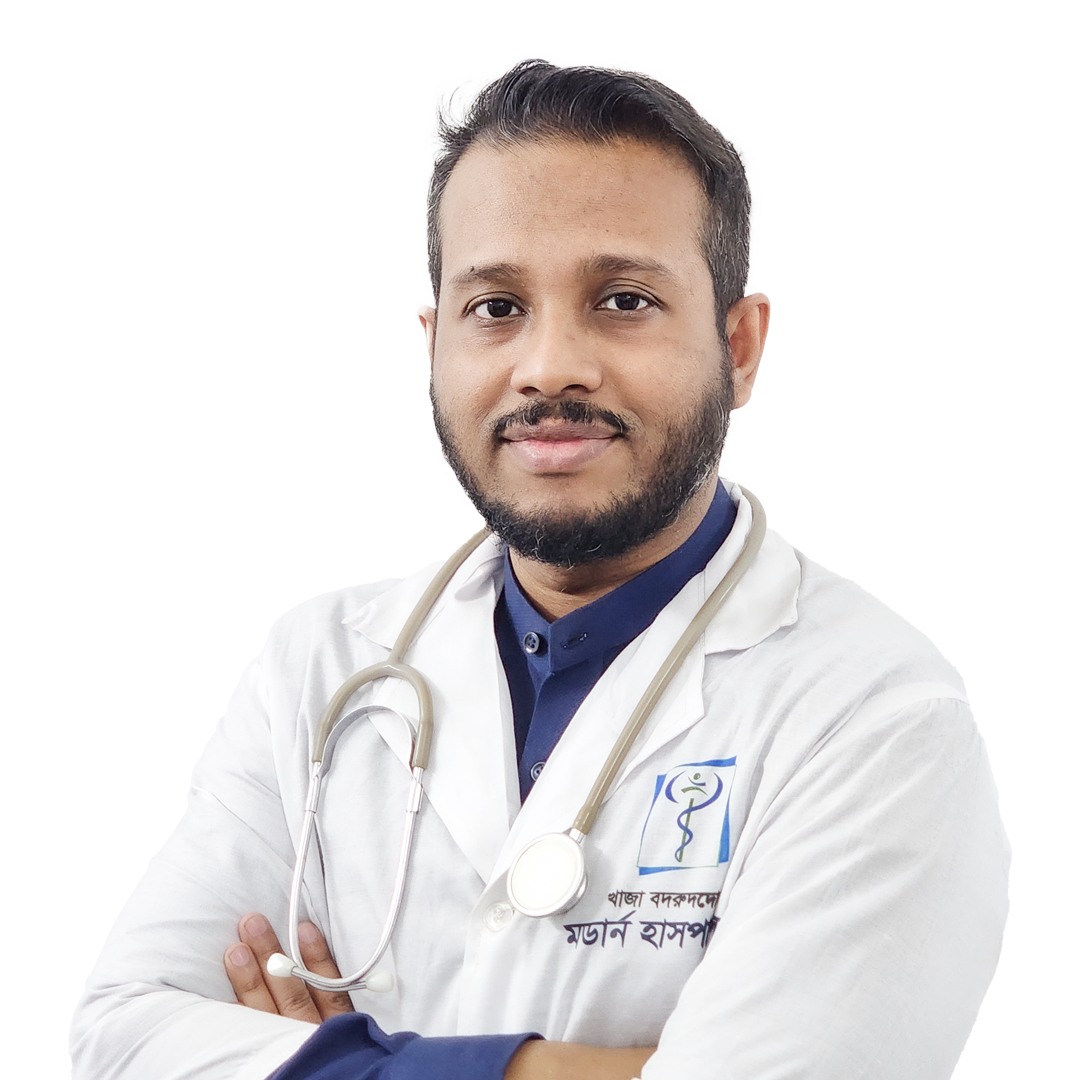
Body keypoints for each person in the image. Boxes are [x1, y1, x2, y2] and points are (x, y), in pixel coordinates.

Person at [70, 59, 1010, 1080]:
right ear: (435, 342)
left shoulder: (879, 720)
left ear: (738, 347)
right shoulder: (318, 672)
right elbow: (118, 1040)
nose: (550, 364)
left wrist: (329, 1062)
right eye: (495, 307)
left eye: (624, 299)